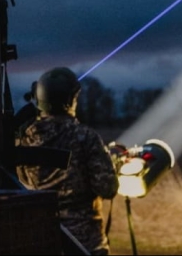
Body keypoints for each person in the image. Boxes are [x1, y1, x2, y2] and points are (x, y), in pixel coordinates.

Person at [16, 67, 119, 255]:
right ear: (71, 100)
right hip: (85, 244)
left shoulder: (24, 140)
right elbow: (107, 188)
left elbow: (21, 179)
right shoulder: (86, 137)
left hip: (44, 240)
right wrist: (112, 166)